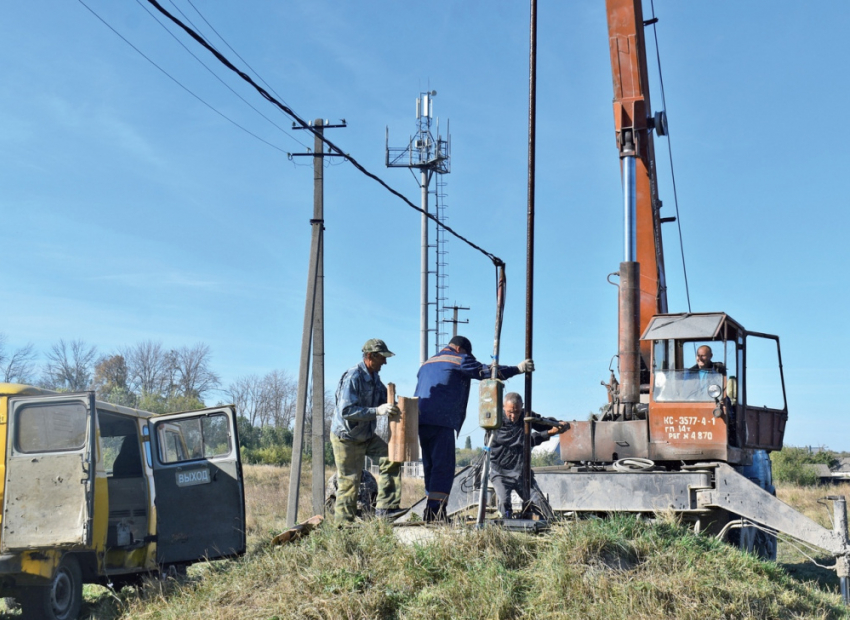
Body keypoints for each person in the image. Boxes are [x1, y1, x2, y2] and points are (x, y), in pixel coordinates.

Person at [414, 335, 535, 521]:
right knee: (443, 467)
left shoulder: (427, 363)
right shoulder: (458, 358)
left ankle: (430, 512)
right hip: (441, 421)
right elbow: (487, 372)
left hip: (420, 420)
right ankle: (436, 514)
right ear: (460, 349)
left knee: (430, 466)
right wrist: (517, 369)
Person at [330, 338, 403, 524]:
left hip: (366, 435)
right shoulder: (353, 377)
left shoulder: (374, 377)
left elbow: (383, 398)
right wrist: (377, 411)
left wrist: (398, 406)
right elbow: (346, 411)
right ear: (370, 356)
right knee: (349, 481)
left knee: (392, 456)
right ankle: (343, 528)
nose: (385, 362)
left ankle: (386, 509)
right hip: (347, 438)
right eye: (382, 358)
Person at [489, 392, 567, 520]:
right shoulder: (496, 421)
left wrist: (558, 424)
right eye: (510, 412)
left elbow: (542, 422)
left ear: (522, 407)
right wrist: (549, 433)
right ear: (503, 407)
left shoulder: (526, 416)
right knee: (504, 503)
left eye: (517, 412)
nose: (513, 416)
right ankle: (506, 525)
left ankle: (550, 524)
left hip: (521, 473)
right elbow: (522, 441)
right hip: (501, 473)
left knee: (542, 506)